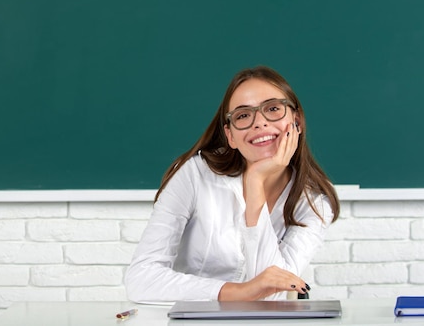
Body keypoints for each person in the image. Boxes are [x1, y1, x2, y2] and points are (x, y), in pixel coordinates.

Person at [124, 65, 340, 303]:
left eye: (273, 109)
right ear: (230, 136)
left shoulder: (315, 201)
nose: (259, 123)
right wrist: (240, 292)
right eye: (243, 115)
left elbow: (274, 292)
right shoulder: (194, 174)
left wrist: (255, 183)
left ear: (296, 121)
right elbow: (141, 279)